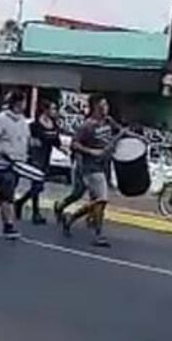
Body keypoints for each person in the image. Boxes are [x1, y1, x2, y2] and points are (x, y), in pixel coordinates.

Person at [55, 94, 120, 248]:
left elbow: (120, 131)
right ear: (96, 107)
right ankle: (97, 234)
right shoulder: (87, 126)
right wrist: (91, 151)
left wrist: (135, 138)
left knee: (93, 200)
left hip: (104, 167)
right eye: (104, 105)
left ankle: (70, 217)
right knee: (100, 200)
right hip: (90, 168)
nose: (107, 107)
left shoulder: (108, 121)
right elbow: (74, 144)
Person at [0, 91, 30, 239]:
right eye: (23, 102)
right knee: (8, 192)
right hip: (2, 163)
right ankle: (8, 225)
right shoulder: (1, 119)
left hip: (18, 162)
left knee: (4, 193)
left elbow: (24, 140)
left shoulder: (22, 121)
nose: (25, 105)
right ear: (17, 103)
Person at [16, 100, 62, 225]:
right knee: (37, 184)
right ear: (45, 110)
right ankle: (35, 213)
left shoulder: (54, 124)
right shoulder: (35, 125)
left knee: (38, 186)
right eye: (53, 109)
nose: (55, 112)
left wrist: (64, 150)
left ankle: (20, 202)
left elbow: (56, 141)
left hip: (46, 156)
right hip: (36, 157)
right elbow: (29, 140)